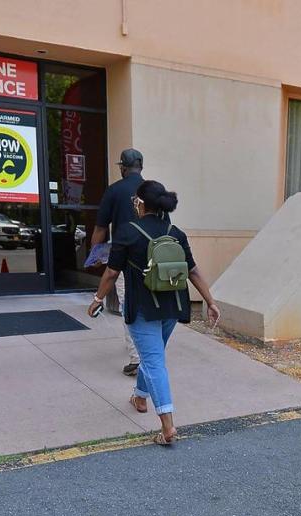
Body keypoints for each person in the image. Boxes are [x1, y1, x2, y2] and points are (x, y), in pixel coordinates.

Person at [88, 180, 220, 446]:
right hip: (172, 307)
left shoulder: (127, 232)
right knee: (153, 356)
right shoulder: (176, 232)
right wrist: (211, 301)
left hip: (142, 309)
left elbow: (112, 272)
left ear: (140, 203)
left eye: (135, 200)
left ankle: (167, 426)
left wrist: (97, 298)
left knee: (153, 362)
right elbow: (192, 271)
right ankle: (139, 396)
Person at [89, 149, 169, 377]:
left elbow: (101, 228)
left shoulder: (114, 191)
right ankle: (152, 352)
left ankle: (138, 358)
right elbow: (166, 225)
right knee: (155, 304)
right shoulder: (154, 191)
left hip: (126, 260)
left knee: (130, 306)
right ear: (141, 166)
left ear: (123, 167)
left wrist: (95, 256)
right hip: (156, 260)